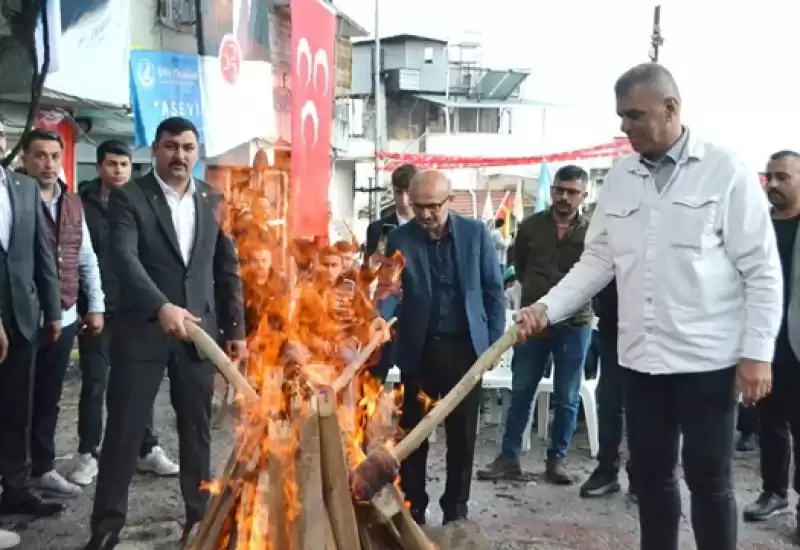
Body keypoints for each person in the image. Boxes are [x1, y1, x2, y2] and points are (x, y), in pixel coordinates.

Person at [515, 63, 781, 550]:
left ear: (671, 108)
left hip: (708, 362)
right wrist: (544, 309)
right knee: (652, 481)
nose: (624, 127)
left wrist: (757, 353)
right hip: (641, 361)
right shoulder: (620, 179)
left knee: (711, 484)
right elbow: (596, 261)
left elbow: (761, 270)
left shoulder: (725, 172)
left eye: (634, 115)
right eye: (621, 116)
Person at [84, 117, 246, 550]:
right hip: (143, 330)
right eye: (171, 146)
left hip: (201, 334)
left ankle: (200, 523)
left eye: (188, 147)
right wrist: (161, 306)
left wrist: (235, 329)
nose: (180, 156)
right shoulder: (130, 197)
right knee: (124, 432)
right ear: (155, 149)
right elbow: (123, 257)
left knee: (197, 431)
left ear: (198, 151)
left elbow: (225, 266)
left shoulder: (213, 198)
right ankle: (105, 531)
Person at [377, 169, 505, 525]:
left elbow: (494, 293)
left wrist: (492, 346)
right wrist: (380, 317)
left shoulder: (475, 234)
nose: (425, 214)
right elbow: (389, 289)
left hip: (466, 352)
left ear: (449, 201)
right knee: (414, 435)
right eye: (418, 206)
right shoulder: (400, 237)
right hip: (418, 350)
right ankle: (414, 506)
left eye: (433, 206)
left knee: (462, 439)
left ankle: (456, 510)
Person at [70, 140, 179, 487]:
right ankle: (88, 453)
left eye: (124, 164)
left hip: (136, 311)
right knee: (95, 382)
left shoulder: (143, 202)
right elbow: (78, 259)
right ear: (99, 167)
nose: (118, 170)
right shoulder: (81, 205)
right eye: (112, 164)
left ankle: (147, 449)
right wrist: (85, 305)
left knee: (140, 384)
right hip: (97, 312)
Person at [478, 165, 592, 485]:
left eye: (571, 192)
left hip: (575, 324)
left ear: (584, 195)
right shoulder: (530, 227)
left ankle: (557, 460)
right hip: (533, 323)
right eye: (559, 190)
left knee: (567, 395)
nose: (564, 197)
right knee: (521, 390)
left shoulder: (593, 233)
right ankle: (509, 458)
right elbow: (520, 264)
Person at [16, 130, 105, 499]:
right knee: (15, 400)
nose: (48, 163)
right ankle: (12, 477)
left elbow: (85, 257)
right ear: (24, 159)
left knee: (49, 398)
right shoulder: (12, 198)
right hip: (22, 318)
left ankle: (43, 468)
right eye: (40, 156)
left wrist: (95, 304)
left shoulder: (72, 203)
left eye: (54, 155)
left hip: (66, 315)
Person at [0, 149, 63, 518]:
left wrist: (53, 311)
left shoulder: (24, 187)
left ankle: (16, 488)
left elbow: (43, 252)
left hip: (24, 317)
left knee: (18, 408)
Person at [742, 150, 800, 528]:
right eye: (769, 177)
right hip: (763, 343)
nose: (773, 184)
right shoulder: (757, 227)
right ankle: (774, 491)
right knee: (770, 423)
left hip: (798, 345)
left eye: (783, 177)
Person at [579, 280, 637, 499]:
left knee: (642, 406)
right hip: (612, 328)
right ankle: (607, 470)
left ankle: (641, 475)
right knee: (609, 400)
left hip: (649, 332)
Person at [364, 163, 417, 257]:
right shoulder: (377, 229)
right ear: (393, 191)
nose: (404, 200)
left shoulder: (428, 228)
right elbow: (369, 269)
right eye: (399, 192)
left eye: (408, 193)